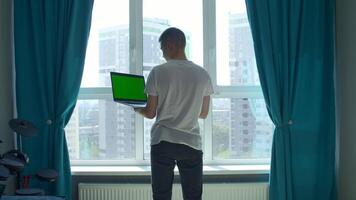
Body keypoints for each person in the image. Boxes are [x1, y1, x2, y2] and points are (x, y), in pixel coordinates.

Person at [134, 27, 214, 200]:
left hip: (163, 142)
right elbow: (203, 113)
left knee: (161, 195)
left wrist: (136, 107)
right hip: (191, 144)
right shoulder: (203, 75)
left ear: (170, 45)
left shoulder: (158, 72)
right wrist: (186, 109)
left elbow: (150, 113)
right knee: (193, 196)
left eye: (163, 48)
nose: (162, 54)